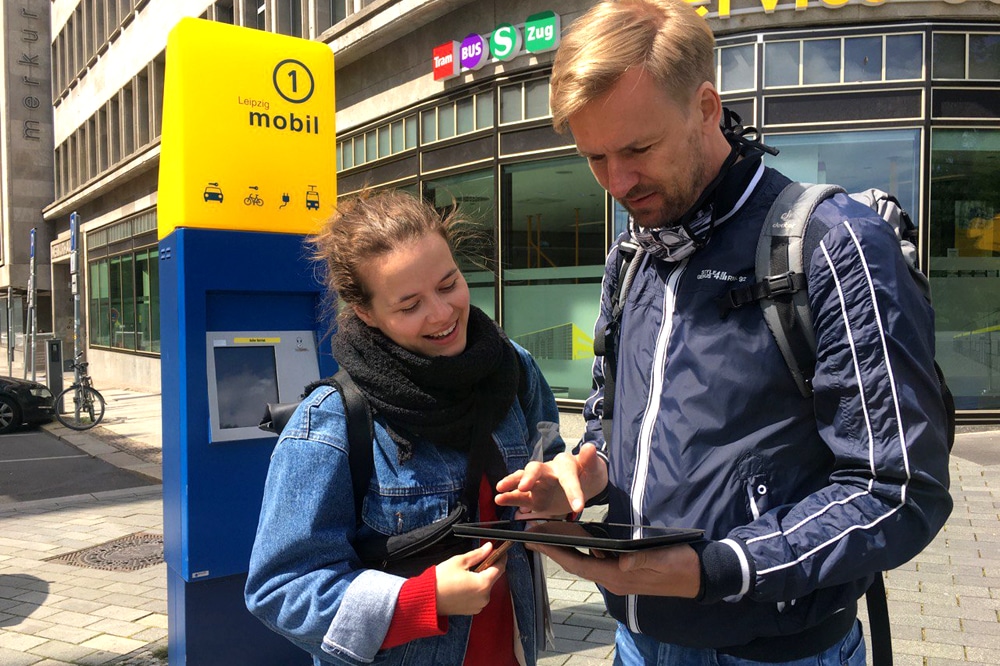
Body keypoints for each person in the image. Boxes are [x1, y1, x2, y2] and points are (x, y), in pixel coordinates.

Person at [496, 1, 953, 664]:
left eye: (637, 149)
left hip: (779, 652)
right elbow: (610, 422)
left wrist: (719, 568)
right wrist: (582, 473)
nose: (617, 182)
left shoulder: (832, 244)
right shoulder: (630, 258)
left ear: (706, 106)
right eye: (594, 156)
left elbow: (899, 490)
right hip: (636, 642)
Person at [245, 189, 564, 666]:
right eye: (409, 305)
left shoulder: (512, 370)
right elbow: (281, 590)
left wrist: (558, 491)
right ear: (368, 313)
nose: (440, 313)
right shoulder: (331, 422)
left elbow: (550, 459)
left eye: (448, 283)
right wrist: (422, 599)